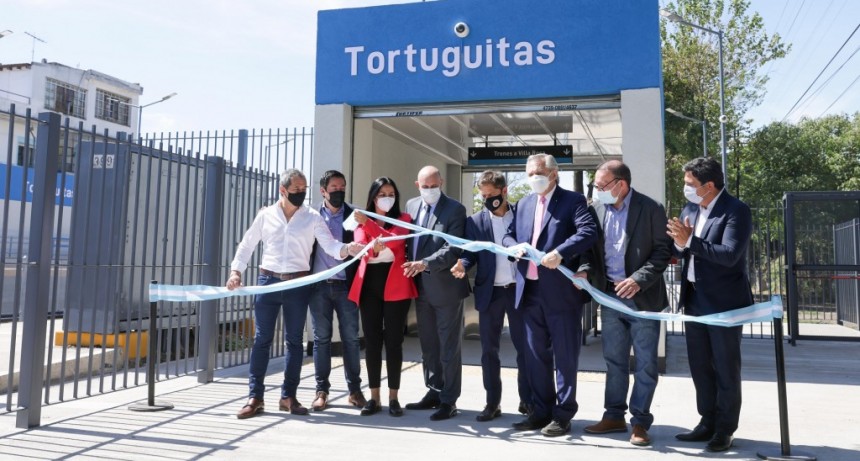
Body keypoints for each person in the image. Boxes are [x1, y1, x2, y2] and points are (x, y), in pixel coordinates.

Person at [228, 168, 363, 420]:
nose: (301, 194)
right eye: (297, 190)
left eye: (304, 190)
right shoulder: (266, 215)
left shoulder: (312, 217)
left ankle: (288, 396)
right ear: (283, 190)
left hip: (298, 285)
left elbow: (330, 245)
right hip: (268, 282)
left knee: (294, 342)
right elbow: (247, 245)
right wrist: (236, 272)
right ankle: (255, 397)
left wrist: (347, 249)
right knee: (262, 340)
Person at [575, 160, 671, 446]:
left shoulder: (651, 208)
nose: (598, 190)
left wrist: (638, 279)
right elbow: (590, 249)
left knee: (644, 364)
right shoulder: (597, 209)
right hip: (610, 298)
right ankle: (614, 415)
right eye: (595, 185)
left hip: (643, 299)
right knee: (614, 361)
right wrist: (584, 268)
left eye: (602, 185)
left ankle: (640, 423)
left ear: (621, 184)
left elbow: (662, 252)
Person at [502, 153, 598, 437]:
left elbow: (588, 232)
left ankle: (563, 414)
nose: (533, 178)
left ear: (554, 174)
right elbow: (508, 235)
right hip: (529, 291)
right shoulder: (523, 204)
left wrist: (560, 252)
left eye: (538, 173)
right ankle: (540, 411)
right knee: (534, 356)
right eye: (529, 173)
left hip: (560, 294)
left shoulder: (573, 201)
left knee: (565, 357)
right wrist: (513, 246)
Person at [666, 157, 753, 453]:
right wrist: (679, 243)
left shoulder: (736, 211)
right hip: (694, 299)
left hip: (725, 303)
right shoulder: (691, 208)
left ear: (710, 185)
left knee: (726, 367)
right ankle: (707, 421)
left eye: (690, 184)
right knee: (700, 365)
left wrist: (689, 241)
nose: (685, 189)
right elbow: (679, 248)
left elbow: (729, 255)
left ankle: (725, 429)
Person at [450, 170, 530, 422]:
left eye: (491, 195)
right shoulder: (474, 222)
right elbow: (470, 252)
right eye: (483, 195)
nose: (487, 199)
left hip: (518, 291)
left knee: (525, 348)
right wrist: (462, 263)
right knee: (489, 351)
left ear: (504, 192)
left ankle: (527, 400)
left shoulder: (523, 215)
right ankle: (492, 402)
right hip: (490, 293)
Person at [402, 165, 470, 421]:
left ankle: (449, 400)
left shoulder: (455, 209)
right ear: (417, 185)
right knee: (428, 345)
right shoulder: (410, 206)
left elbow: (453, 247)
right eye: (425, 187)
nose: (430, 191)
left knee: (448, 347)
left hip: (446, 289)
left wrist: (425, 263)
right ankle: (433, 391)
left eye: (434, 185)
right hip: (420, 289)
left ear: (441, 182)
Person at [350, 177, 418, 417]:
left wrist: (372, 230)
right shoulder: (360, 221)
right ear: (373, 198)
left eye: (391, 193)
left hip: (396, 285)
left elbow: (395, 241)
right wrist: (372, 239)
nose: (387, 198)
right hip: (369, 286)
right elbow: (362, 248)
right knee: (372, 341)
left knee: (394, 342)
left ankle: (393, 397)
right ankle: (374, 396)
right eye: (381, 194)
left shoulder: (404, 219)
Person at [308, 170, 366, 412]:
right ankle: (321, 391)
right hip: (318, 287)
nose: (339, 190)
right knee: (321, 340)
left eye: (342, 186)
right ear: (323, 191)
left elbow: (365, 243)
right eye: (334, 187)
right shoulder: (310, 216)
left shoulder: (355, 215)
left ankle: (354, 391)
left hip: (346, 286)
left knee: (351, 339)